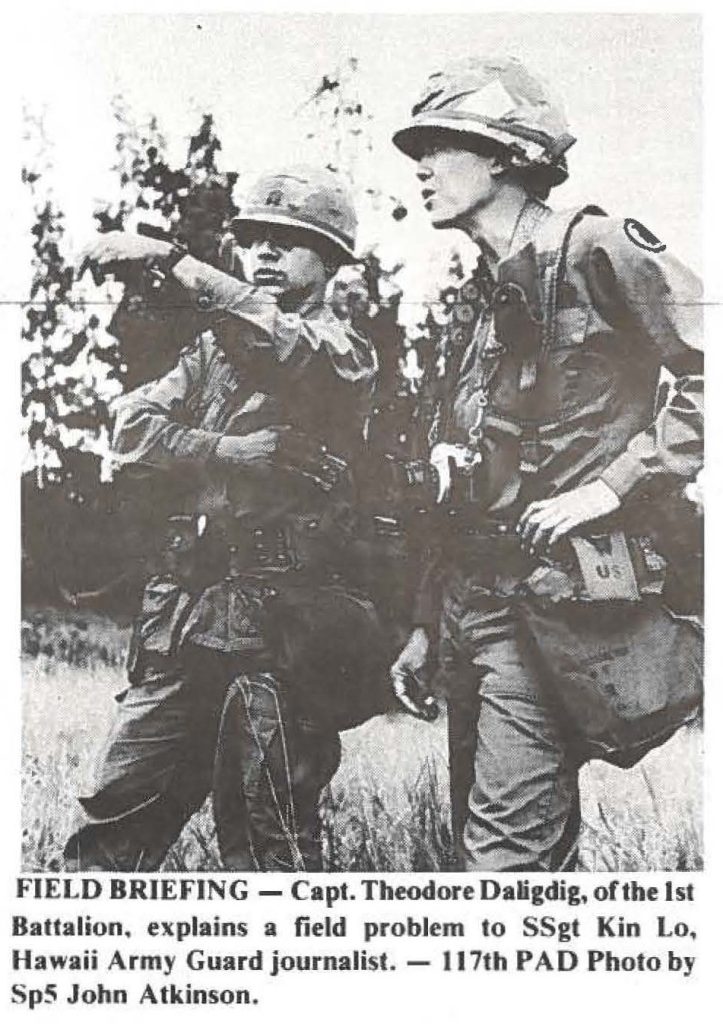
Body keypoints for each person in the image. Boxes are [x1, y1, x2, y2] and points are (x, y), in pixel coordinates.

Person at [389, 56, 703, 871]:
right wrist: (427, 623)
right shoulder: (483, 303)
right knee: (495, 850)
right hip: (476, 608)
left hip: (561, 603)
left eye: (439, 145)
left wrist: (612, 485)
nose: (419, 167)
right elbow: (461, 492)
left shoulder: (595, 247)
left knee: (502, 869)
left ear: (501, 155)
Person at [64, 166, 383, 871]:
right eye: (253, 240)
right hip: (185, 618)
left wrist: (173, 261)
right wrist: (225, 450)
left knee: (271, 837)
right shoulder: (212, 351)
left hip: (281, 629)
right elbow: (131, 430)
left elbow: (281, 343)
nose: (264, 254)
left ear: (330, 263)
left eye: (287, 242)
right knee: (112, 822)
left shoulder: (343, 353)